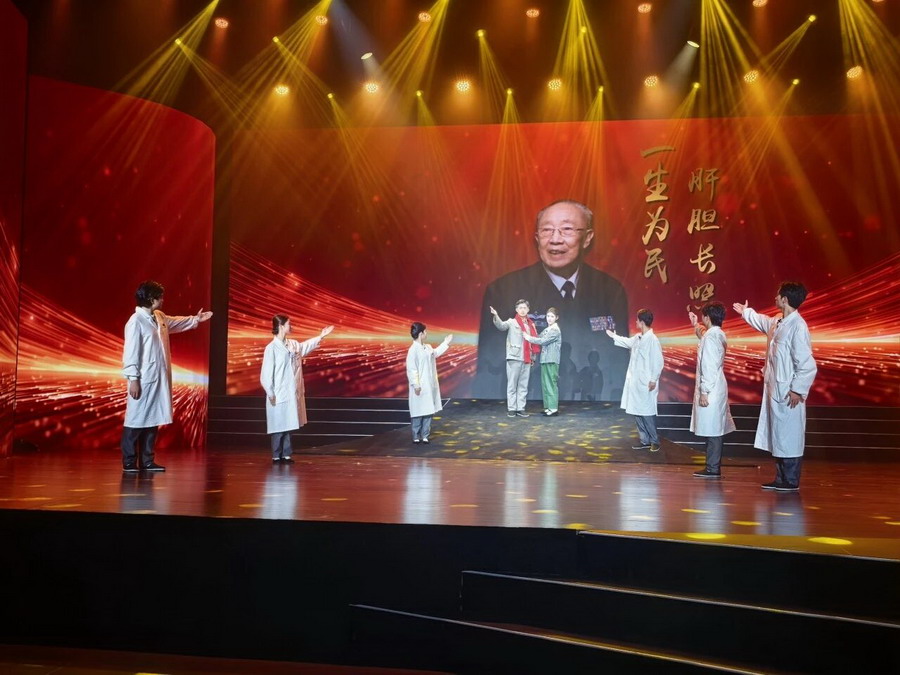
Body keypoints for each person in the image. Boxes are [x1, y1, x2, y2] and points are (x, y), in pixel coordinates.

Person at [475, 199, 629, 400]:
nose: (555, 239)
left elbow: (619, 360)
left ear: (587, 238)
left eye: (567, 229)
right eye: (547, 230)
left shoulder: (610, 290)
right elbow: (489, 366)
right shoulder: (502, 291)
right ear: (537, 238)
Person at [121, 280, 212, 472]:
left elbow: (175, 322)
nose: (163, 300)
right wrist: (133, 378)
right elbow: (131, 352)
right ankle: (129, 461)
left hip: (158, 377)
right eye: (160, 297)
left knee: (152, 418)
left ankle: (147, 460)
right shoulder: (136, 322)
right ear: (151, 299)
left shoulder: (158, 316)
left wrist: (195, 319)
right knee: (136, 419)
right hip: (143, 378)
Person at [734, 282, 817, 491]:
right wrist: (747, 313)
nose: (775, 298)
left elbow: (807, 363)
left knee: (789, 435)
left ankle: (790, 480)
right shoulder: (779, 321)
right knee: (779, 435)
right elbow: (763, 322)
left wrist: (798, 389)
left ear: (785, 299)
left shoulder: (797, 326)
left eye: (778, 295)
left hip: (788, 391)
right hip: (776, 389)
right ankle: (781, 478)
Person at [260, 315, 334, 463]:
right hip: (278, 393)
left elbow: (305, 346)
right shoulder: (271, 348)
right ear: (281, 326)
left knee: (289, 423)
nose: (291, 326)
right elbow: (266, 373)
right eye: (289, 324)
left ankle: (287, 454)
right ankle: (276, 455)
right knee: (278, 426)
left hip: (291, 391)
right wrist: (270, 392)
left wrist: (321, 336)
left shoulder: (293, 344)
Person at [688, 302, 736, 478]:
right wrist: (695, 324)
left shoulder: (710, 338)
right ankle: (711, 466)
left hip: (711, 388)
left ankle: (712, 467)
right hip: (717, 386)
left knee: (713, 430)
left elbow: (708, 366)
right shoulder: (718, 334)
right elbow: (703, 335)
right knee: (713, 428)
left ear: (707, 317)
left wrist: (704, 391)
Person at [607, 309, 664, 452]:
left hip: (646, 383)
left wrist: (653, 379)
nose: (636, 322)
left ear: (642, 322)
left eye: (637, 320)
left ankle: (654, 440)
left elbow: (658, 362)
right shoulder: (638, 338)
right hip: (636, 382)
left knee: (646, 413)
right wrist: (614, 336)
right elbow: (627, 342)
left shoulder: (653, 340)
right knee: (637, 411)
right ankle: (644, 440)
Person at [490, 300, 540, 418]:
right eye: (520, 308)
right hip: (514, 357)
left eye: (525, 308)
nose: (522, 310)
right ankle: (512, 408)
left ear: (528, 310)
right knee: (512, 385)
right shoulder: (512, 322)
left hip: (527, 358)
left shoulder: (531, 324)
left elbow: (533, 342)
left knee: (523, 385)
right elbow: (501, 326)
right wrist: (496, 315)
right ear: (516, 310)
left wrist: (533, 357)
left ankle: (521, 408)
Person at [406, 322, 453, 443]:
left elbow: (435, 353)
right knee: (418, 412)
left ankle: (425, 435)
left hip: (429, 384)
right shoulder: (413, 350)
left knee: (428, 411)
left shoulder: (427, 347)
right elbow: (412, 369)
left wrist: (445, 343)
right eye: (425, 331)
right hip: (420, 386)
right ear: (420, 334)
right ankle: (416, 436)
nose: (426, 333)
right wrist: (416, 384)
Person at [522, 307, 562, 416]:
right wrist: (530, 329)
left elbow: (543, 341)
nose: (549, 318)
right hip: (545, 360)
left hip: (552, 360)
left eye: (552, 316)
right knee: (545, 384)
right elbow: (538, 336)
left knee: (551, 384)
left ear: (556, 318)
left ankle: (553, 408)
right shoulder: (547, 329)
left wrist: (528, 337)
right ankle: (548, 407)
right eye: (548, 316)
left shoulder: (555, 330)